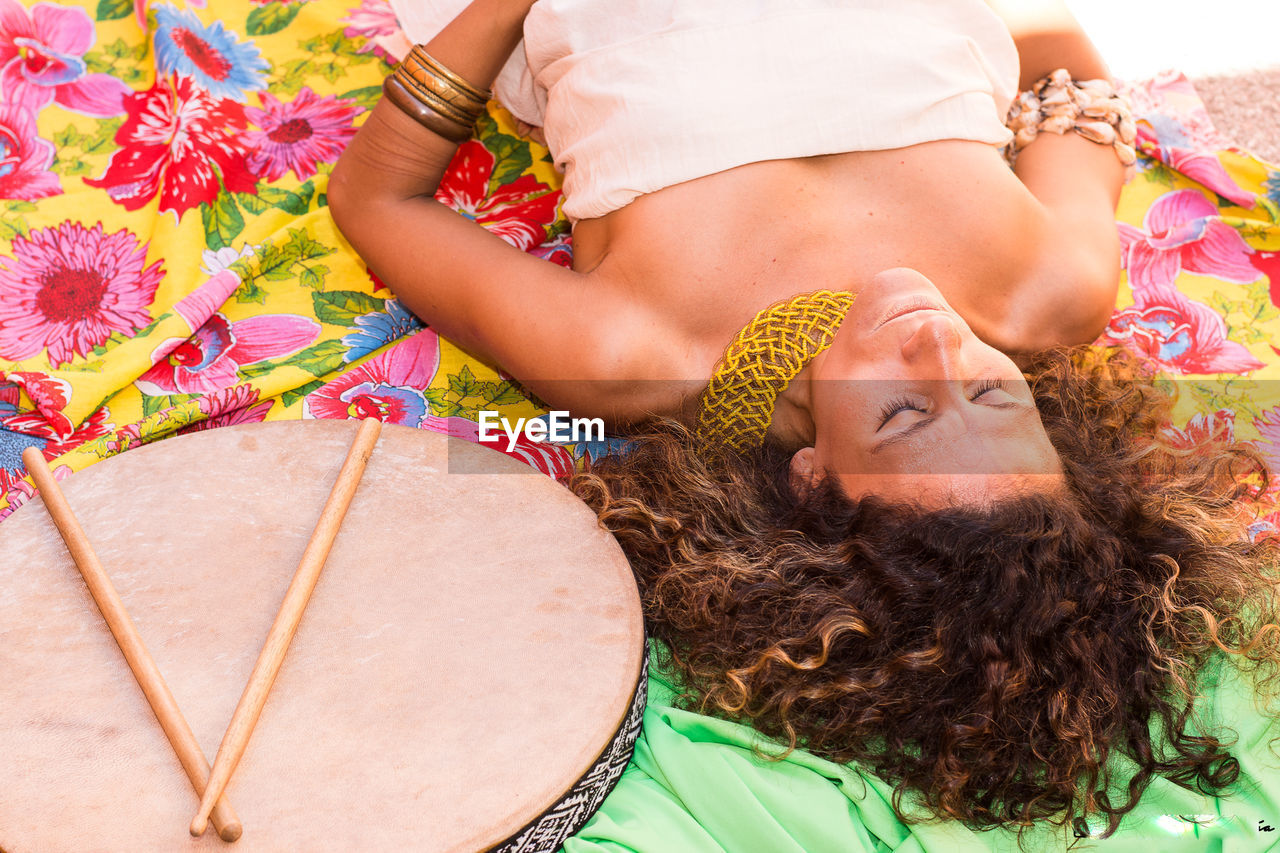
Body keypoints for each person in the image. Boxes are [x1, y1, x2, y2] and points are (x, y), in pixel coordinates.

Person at [328, 0, 1280, 844]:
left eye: (905, 412)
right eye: (996, 394)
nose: (937, 346)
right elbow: (1063, 60)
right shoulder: (1053, 290)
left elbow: (377, 197)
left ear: (813, 480)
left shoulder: (627, 353)